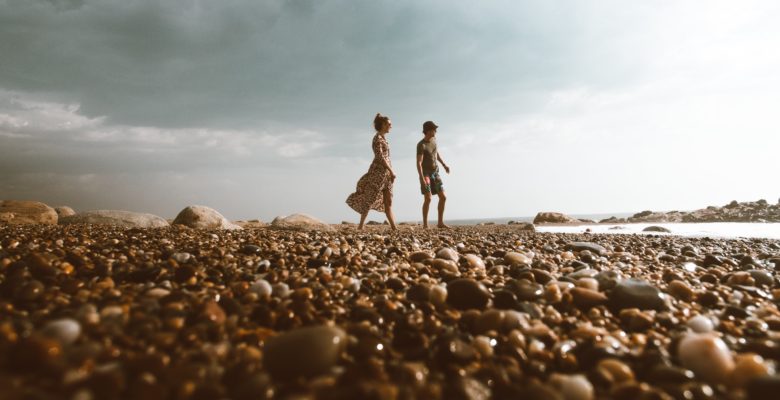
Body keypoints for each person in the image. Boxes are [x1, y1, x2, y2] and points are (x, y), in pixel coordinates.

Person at [346, 113, 397, 230]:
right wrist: (391, 171)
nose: (391, 126)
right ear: (383, 124)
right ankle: (360, 225)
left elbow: (386, 157)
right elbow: (380, 157)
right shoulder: (377, 139)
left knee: (388, 201)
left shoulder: (384, 139)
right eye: (389, 124)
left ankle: (394, 227)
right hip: (377, 174)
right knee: (370, 199)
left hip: (387, 174)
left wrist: (390, 172)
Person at [416, 120, 450, 229]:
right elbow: (419, 162)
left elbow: (436, 154)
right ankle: (425, 224)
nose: (436, 131)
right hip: (425, 174)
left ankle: (440, 222)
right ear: (428, 131)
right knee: (428, 198)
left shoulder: (434, 141)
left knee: (443, 197)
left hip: (435, 173)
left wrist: (444, 165)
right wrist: (421, 178)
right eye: (434, 129)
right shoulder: (421, 145)